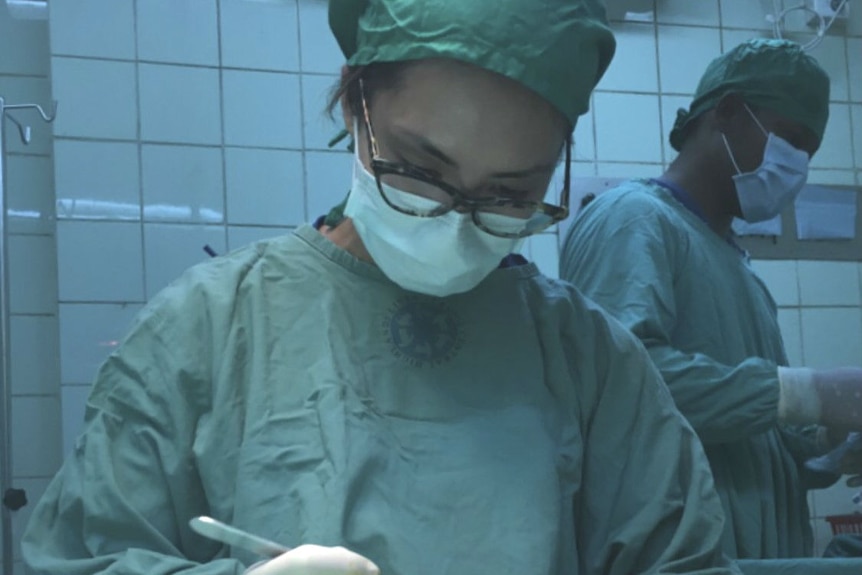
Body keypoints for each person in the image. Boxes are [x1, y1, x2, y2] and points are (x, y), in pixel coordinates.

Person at [21, 1, 740, 574]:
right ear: (353, 111)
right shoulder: (209, 326)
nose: (456, 222)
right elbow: (79, 558)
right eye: (421, 172)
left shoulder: (589, 360)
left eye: (508, 195)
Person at [560, 38, 862, 561]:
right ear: (726, 112)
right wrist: (808, 393)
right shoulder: (633, 219)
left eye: (808, 156)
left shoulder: (739, 270)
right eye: (789, 141)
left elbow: (753, 439)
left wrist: (830, 447)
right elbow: (617, 388)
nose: (798, 170)